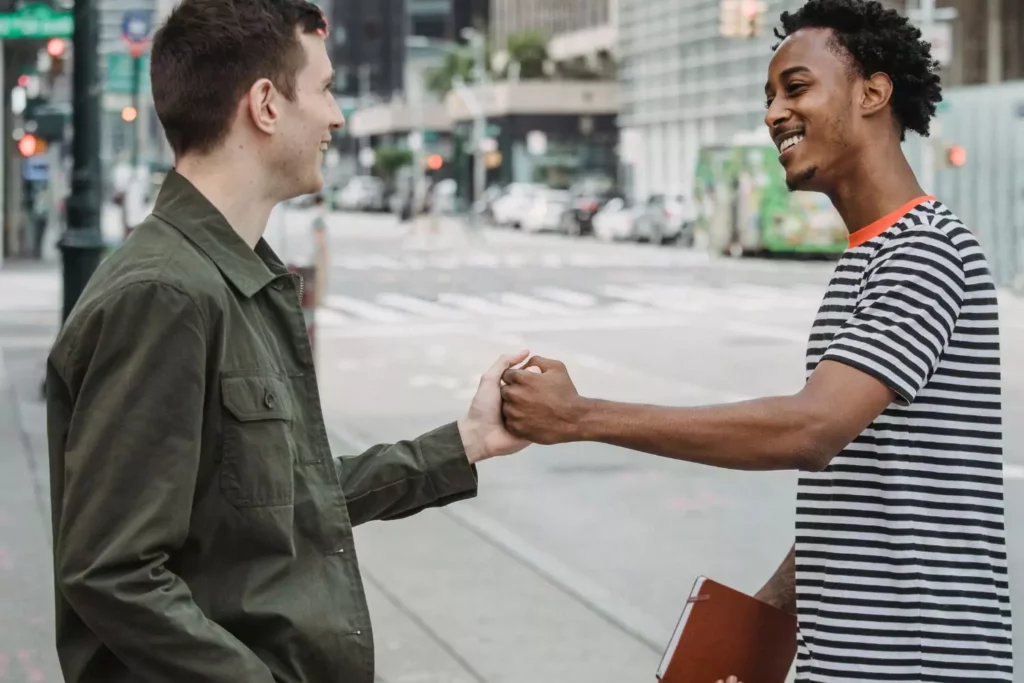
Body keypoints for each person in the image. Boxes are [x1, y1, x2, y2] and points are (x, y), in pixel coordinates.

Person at [500, 1, 1013, 682]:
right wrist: (769, 609)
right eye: (770, 97)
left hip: (918, 664)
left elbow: (813, 429)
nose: (773, 114)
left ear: (873, 91)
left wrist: (580, 416)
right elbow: (869, 480)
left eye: (796, 88)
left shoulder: (925, 252)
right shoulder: (869, 259)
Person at [44, 1, 530, 681]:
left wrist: (465, 441)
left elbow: (280, 501)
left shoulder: (235, 278)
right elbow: (112, 570)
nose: (338, 116)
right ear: (266, 104)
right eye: (326, 89)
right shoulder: (166, 295)